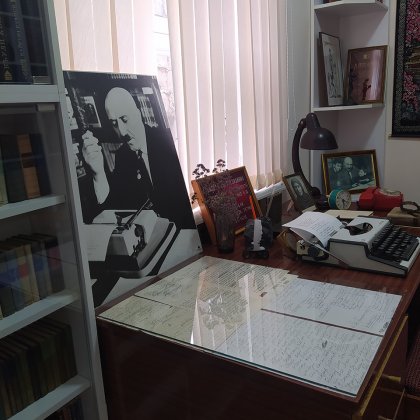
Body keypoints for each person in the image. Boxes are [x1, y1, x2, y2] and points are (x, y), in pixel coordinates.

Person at [80, 86, 194, 230]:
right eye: (114, 123)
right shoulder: (122, 156)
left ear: (138, 114)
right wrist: (98, 173)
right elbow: (114, 208)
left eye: (125, 119)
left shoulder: (168, 143)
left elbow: (186, 201)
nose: (122, 132)